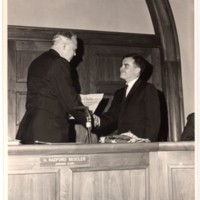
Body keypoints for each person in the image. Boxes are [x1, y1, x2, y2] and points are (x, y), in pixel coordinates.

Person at [16, 31, 87, 144]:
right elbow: (69, 100)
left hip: (30, 131)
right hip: (49, 132)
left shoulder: (37, 61)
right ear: (64, 46)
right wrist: (89, 119)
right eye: (74, 49)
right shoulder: (59, 63)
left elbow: (50, 98)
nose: (74, 54)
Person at [93, 53, 161, 142]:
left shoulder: (147, 89)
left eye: (126, 66)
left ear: (137, 70)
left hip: (141, 143)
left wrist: (148, 142)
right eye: (121, 65)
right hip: (124, 142)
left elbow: (153, 120)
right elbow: (112, 115)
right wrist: (97, 120)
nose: (121, 68)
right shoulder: (119, 93)